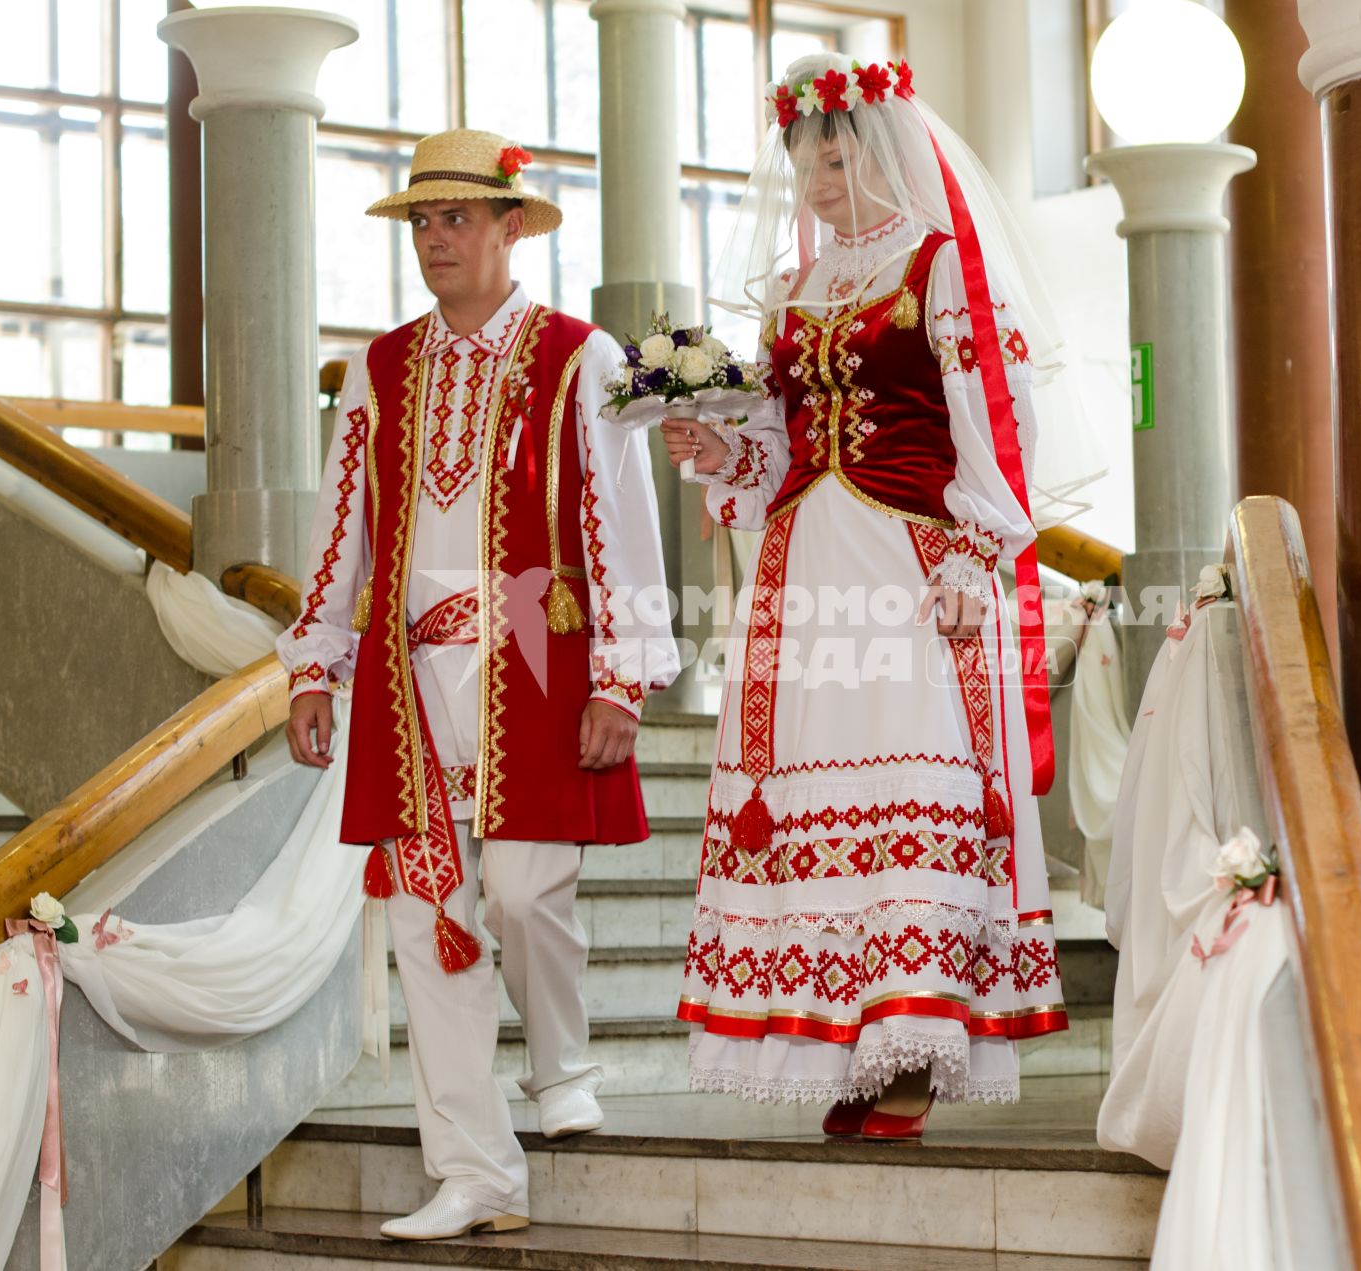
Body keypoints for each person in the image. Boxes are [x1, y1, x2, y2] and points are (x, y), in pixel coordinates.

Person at [663, 53, 1076, 1139]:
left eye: (835, 158)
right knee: (806, 790)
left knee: (913, 769)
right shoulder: (798, 292)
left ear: (882, 150)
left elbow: (999, 417)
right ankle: (848, 1027)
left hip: (908, 559)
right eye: (805, 164)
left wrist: (970, 554)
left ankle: (915, 1024)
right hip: (804, 566)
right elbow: (775, 450)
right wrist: (719, 446)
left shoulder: (941, 267)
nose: (817, 183)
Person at [276, 128, 678, 1240]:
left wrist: (621, 676)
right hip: (409, 677)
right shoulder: (378, 366)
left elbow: (621, 525)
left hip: (537, 653)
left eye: (457, 217)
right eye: (421, 220)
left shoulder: (578, 355)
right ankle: (473, 1169)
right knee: (424, 923)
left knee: (519, 891)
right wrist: (316, 661)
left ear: (512, 226)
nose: (435, 238)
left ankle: (564, 1063)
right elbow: (340, 525)